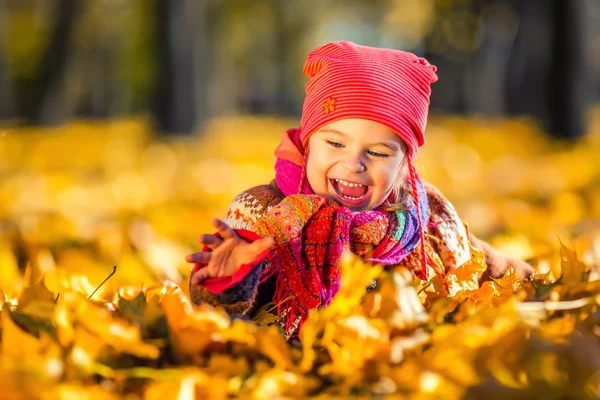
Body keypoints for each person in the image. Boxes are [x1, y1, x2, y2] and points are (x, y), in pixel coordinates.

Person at [186, 41, 533, 338]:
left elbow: (485, 264)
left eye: (379, 153)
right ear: (308, 144)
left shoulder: (427, 216)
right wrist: (228, 279)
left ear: (404, 164)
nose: (354, 164)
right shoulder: (264, 211)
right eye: (335, 144)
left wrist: (535, 282)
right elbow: (215, 320)